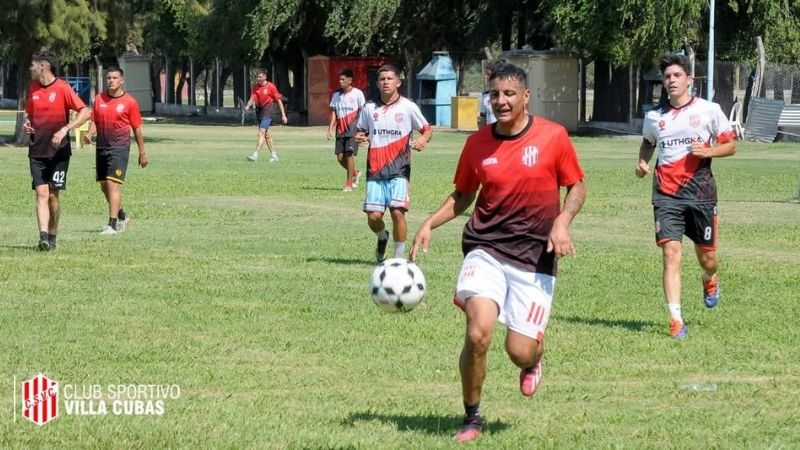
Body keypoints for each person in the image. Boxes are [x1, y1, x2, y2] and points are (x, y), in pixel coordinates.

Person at [409, 61, 585, 442]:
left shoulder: (553, 137)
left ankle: (533, 361)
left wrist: (562, 222)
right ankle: (471, 417)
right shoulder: (477, 143)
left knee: (520, 350)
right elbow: (463, 195)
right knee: (477, 334)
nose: (501, 101)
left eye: (509, 94)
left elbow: (576, 187)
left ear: (526, 97)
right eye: (494, 94)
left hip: (535, 257)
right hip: (485, 247)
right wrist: (429, 223)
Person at [636, 53, 736, 339]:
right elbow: (647, 143)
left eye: (677, 75)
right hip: (666, 194)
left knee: (707, 259)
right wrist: (643, 162)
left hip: (701, 193)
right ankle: (676, 319)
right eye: (667, 77)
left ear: (689, 80)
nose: (671, 81)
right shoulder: (655, 116)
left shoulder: (709, 110)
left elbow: (730, 146)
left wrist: (709, 151)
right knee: (671, 254)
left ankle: (710, 279)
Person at [355, 64, 432, 262]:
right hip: (375, 168)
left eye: (390, 78)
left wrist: (424, 138)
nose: (386, 82)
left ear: (398, 82)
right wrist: (360, 137)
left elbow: (427, 129)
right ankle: (382, 237)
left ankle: (398, 260)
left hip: (400, 168)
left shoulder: (408, 107)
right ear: (377, 84)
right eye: (382, 79)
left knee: (397, 212)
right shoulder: (369, 109)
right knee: (373, 216)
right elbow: (360, 131)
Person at [22, 52, 91, 251]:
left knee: (53, 196)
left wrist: (65, 129)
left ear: (43, 67)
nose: (30, 68)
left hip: (59, 152)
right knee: (41, 193)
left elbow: (85, 112)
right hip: (36, 150)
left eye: (33, 65)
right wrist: (28, 124)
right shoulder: (33, 88)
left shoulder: (63, 88)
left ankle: (52, 235)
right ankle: (43, 236)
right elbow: (31, 115)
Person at [84, 67, 149, 235]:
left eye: (115, 78)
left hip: (119, 147)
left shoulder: (130, 102)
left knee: (113, 184)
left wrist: (142, 153)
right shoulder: (99, 99)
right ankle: (122, 217)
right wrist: (90, 134)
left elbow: (137, 129)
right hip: (102, 147)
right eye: (108, 78)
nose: (111, 80)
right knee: (104, 186)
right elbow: (96, 120)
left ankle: (112, 225)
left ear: (122, 80)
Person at [327, 69, 365, 191]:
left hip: (353, 128)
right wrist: (330, 128)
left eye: (343, 79)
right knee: (339, 157)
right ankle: (355, 172)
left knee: (349, 154)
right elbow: (334, 112)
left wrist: (363, 130)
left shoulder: (358, 94)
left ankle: (349, 184)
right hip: (341, 129)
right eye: (340, 79)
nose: (340, 81)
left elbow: (363, 111)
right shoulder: (336, 94)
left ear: (350, 80)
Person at [245, 69, 287, 162]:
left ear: (265, 77)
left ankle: (255, 154)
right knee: (266, 134)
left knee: (262, 132)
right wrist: (248, 105)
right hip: (259, 111)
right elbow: (252, 98)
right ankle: (274, 155)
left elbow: (279, 101)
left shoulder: (271, 87)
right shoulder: (255, 87)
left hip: (267, 111)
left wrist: (283, 115)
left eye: (260, 77)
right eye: (257, 77)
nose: (258, 79)